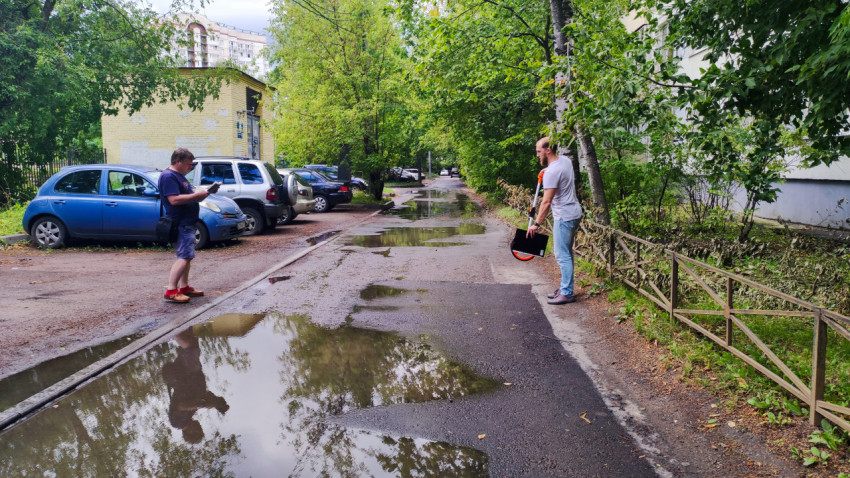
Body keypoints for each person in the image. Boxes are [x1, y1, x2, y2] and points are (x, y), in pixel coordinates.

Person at [527, 137, 582, 305]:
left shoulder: (552, 172)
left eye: (539, 151)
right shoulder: (565, 161)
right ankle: (566, 287)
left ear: (548, 150)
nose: (537, 155)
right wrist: (547, 170)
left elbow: (546, 202)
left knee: (562, 254)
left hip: (564, 216)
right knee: (567, 253)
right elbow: (558, 172)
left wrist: (536, 224)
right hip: (574, 212)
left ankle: (567, 292)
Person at [159, 148, 210, 303]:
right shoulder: (168, 176)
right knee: (184, 256)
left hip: (187, 222)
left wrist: (201, 193)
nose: (190, 167)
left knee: (186, 256)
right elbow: (173, 200)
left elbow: (187, 193)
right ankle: (171, 290)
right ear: (177, 161)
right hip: (180, 223)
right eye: (188, 164)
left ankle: (184, 287)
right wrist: (196, 196)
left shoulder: (179, 176)